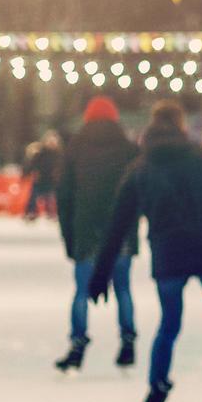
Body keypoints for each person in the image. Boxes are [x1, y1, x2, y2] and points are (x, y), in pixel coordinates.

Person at [88, 100, 202, 402]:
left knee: (168, 326)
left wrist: (101, 273)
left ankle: (157, 389)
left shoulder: (141, 168)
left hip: (169, 255)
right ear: (182, 126)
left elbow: (118, 224)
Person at [56, 96, 141, 372]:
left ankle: (77, 344)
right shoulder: (128, 148)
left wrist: (69, 238)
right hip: (121, 230)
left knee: (81, 290)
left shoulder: (75, 148)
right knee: (123, 289)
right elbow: (139, 191)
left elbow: (64, 195)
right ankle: (128, 343)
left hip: (86, 229)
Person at [25, 131, 63, 221]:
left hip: (51, 180)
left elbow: (62, 166)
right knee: (33, 197)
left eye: (53, 142)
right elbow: (33, 164)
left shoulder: (59, 155)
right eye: (50, 142)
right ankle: (31, 212)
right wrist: (29, 172)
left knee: (50, 198)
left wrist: (59, 173)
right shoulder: (40, 153)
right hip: (40, 179)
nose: (51, 144)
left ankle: (51, 213)